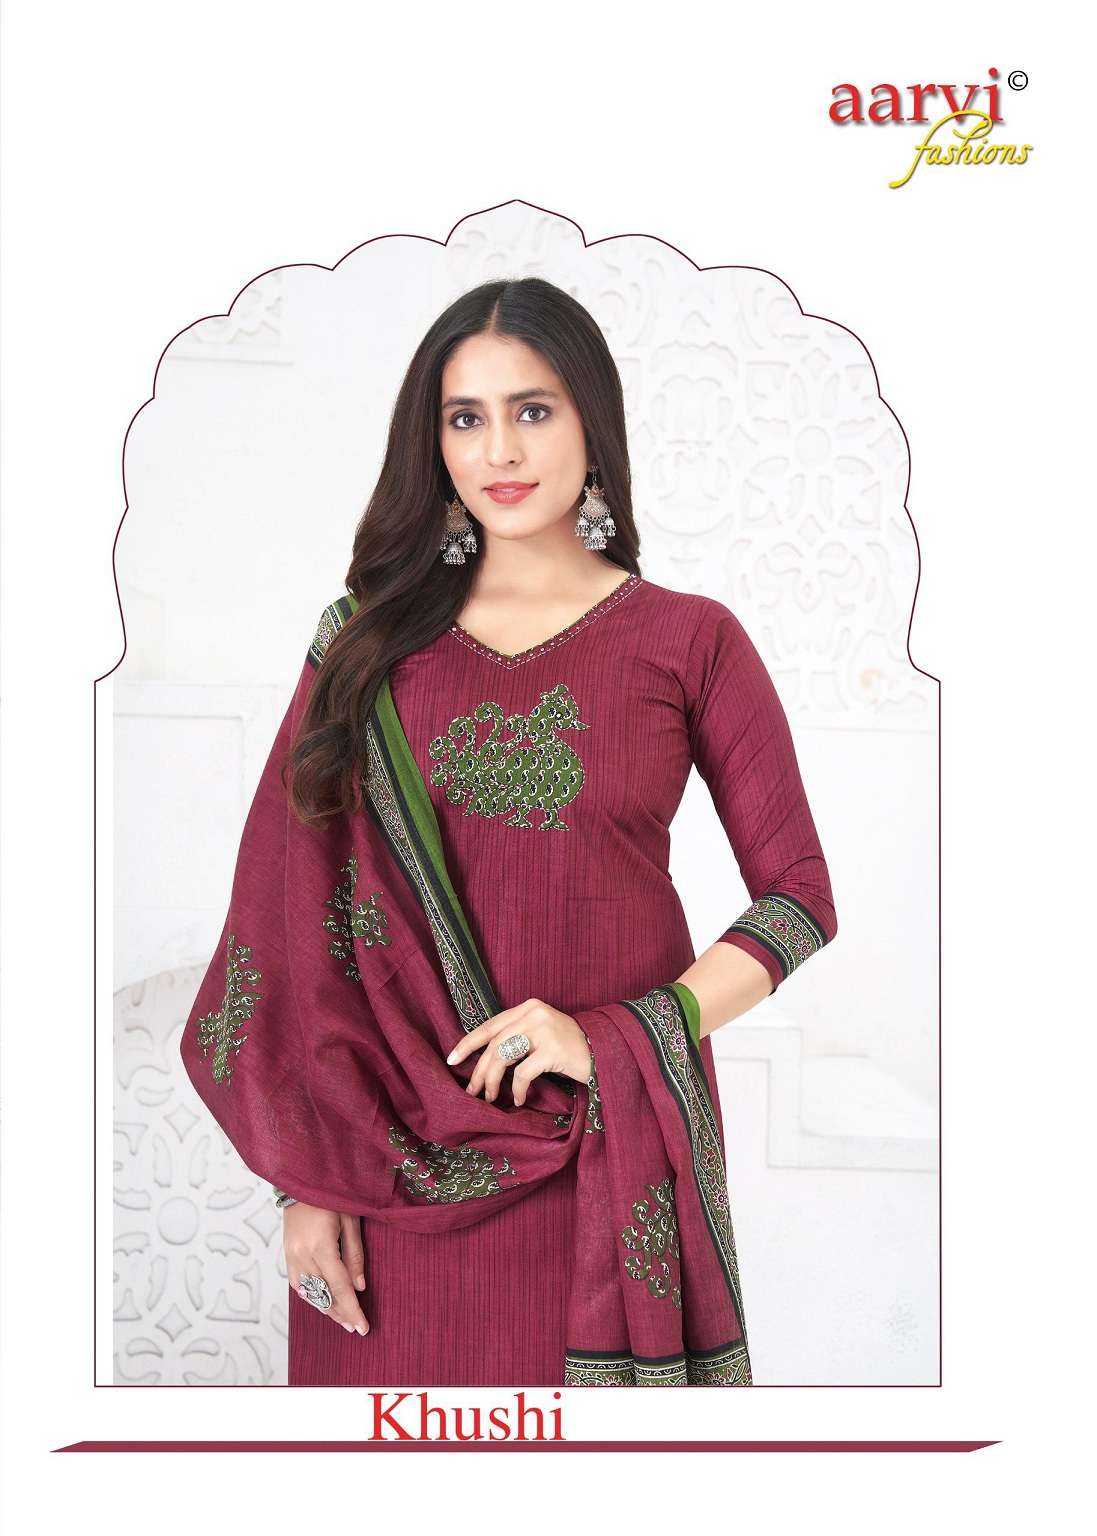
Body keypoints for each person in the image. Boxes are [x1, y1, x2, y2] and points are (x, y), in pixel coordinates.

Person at [179, 276, 837, 1388]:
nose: (499, 450)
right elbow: (285, 926)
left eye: (532, 409)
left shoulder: (688, 641)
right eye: (464, 417)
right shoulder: (363, 649)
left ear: (592, 420)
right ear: (432, 443)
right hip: (391, 1178)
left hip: (610, 1148)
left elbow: (799, 897)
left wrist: (625, 1031)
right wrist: (306, 1182)